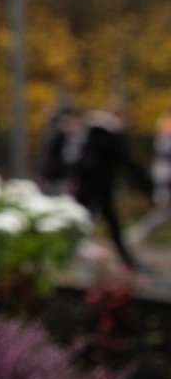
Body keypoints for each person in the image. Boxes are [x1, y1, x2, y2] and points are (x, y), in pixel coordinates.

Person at [72, 103, 152, 271]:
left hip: (89, 187)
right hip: (100, 188)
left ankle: (126, 259)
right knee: (89, 223)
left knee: (92, 222)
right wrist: (147, 185)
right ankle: (125, 260)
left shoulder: (93, 132)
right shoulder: (111, 136)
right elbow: (126, 163)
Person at [127, 112, 171, 253]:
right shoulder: (166, 142)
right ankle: (135, 236)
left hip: (164, 182)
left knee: (162, 214)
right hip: (166, 183)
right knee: (162, 214)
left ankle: (135, 236)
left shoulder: (163, 141)